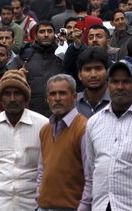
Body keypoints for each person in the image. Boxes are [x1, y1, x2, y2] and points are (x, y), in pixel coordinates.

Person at [85, 61, 132, 210]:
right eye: (115, 82)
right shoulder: (94, 122)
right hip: (102, 206)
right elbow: (92, 166)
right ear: (108, 85)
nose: (120, 87)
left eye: (126, 82)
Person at [0, 70, 48, 210]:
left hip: (33, 204)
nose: (12, 99)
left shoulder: (43, 125)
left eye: (17, 93)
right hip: (0, 203)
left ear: (26, 97)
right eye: (7, 94)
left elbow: (47, 166)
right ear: (1, 98)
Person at [37, 74, 91, 211]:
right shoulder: (45, 130)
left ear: (74, 97)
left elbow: (90, 177)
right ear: (47, 99)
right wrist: (39, 198)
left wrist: (83, 208)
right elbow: (41, 170)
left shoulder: (83, 128)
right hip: (45, 206)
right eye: (52, 94)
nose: (57, 98)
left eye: (62, 93)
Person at [20, 21, 63, 117]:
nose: (46, 35)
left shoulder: (62, 54)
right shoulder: (26, 56)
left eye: (49, 31)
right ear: (35, 36)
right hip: (33, 112)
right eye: (42, 32)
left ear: (55, 34)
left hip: (59, 110)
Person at [76, 47, 111, 117]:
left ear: (107, 72)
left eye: (98, 68)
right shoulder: (72, 104)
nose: (93, 75)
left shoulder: (119, 102)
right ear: (80, 75)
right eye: (87, 69)